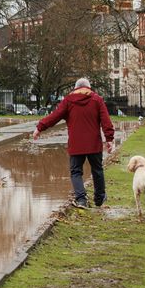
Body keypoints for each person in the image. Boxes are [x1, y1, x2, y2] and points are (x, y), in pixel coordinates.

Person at [32, 77, 114, 209]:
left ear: (75, 88)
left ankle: (81, 199)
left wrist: (39, 128)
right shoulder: (97, 100)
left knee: (76, 172)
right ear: (89, 88)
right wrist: (109, 139)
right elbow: (106, 120)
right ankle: (99, 198)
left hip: (76, 144)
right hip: (94, 144)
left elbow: (54, 116)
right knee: (97, 170)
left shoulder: (68, 101)